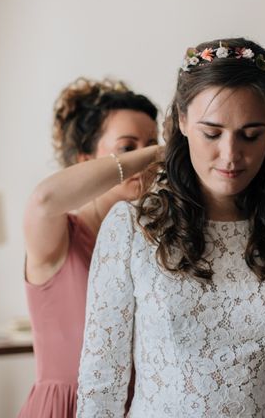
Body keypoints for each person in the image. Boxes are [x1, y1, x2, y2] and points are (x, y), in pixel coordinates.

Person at [77, 38, 265, 417]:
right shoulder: (129, 228)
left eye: (252, 135)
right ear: (182, 122)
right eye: (212, 133)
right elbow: (100, 388)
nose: (231, 155)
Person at [18, 77, 159, 418]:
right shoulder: (59, 238)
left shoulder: (154, 244)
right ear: (86, 159)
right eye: (129, 147)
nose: (145, 161)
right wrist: (156, 153)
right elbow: (43, 200)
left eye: (152, 144)